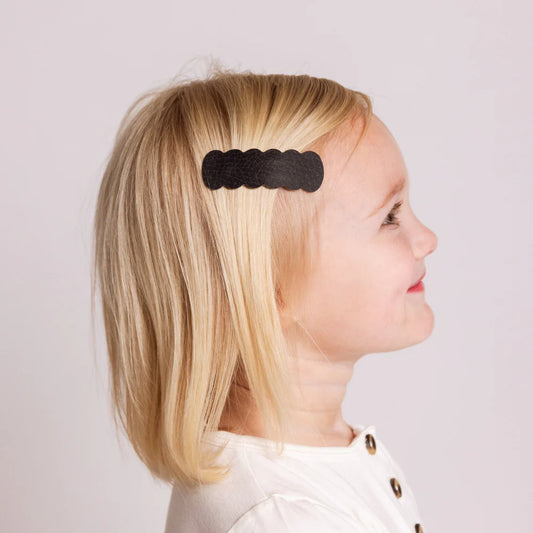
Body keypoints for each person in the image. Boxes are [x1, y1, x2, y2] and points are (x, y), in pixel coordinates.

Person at [92, 63, 437, 532]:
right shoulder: (286, 519)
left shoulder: (309, 474)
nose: (427, 239)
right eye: (389, 217)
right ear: (271, 290)